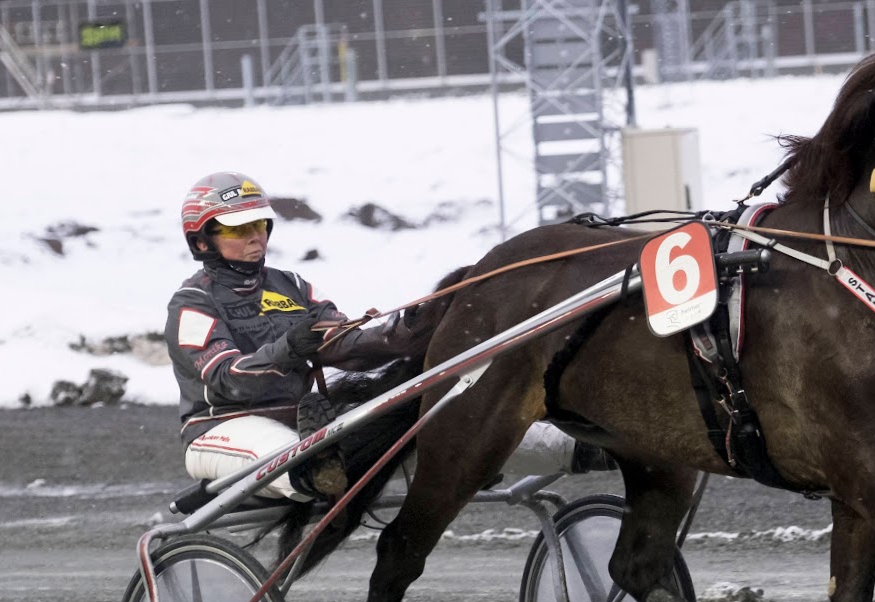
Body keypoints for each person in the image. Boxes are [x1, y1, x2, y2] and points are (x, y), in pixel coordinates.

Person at [166, 171, 612, 503]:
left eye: (260, 226)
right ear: (202, 241)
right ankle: (318, 471)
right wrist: (287, 351)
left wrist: (410, 331)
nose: (254, 239)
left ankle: (589, 450)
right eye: (238, 230)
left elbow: (347, 346)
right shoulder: (192, 303)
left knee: (445, 422)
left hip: (306, 422)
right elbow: (224, 378)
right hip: (222, 429)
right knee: (303, 461)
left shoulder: (292, 287)